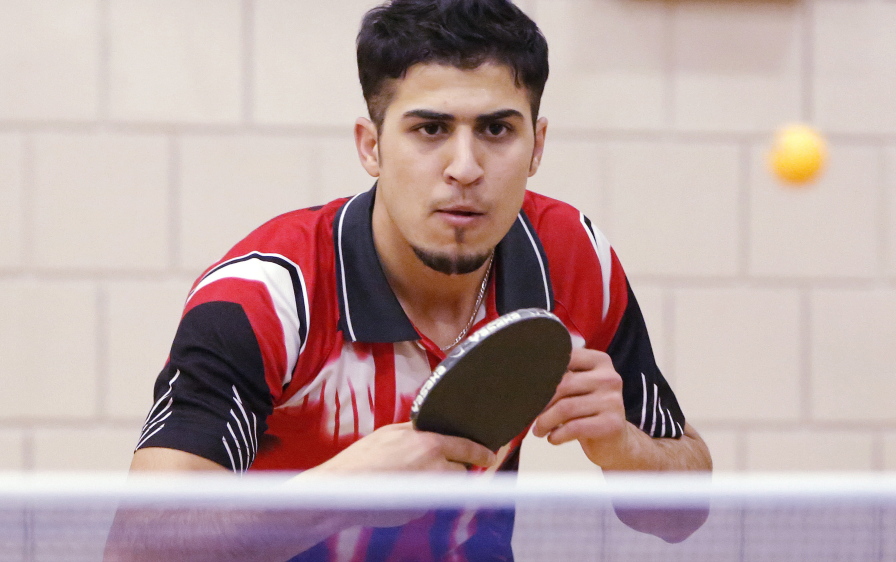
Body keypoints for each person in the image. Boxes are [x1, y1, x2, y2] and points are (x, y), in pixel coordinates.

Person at [107, 0, 712, 560]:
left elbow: (683, 512)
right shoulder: (269, 295)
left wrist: (624, 447)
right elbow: (138, 544)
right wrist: (340, 492)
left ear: (537, 146)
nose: (465, 168)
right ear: (370, 147)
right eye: (430, 129)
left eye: (497, 130)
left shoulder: (573, 262)